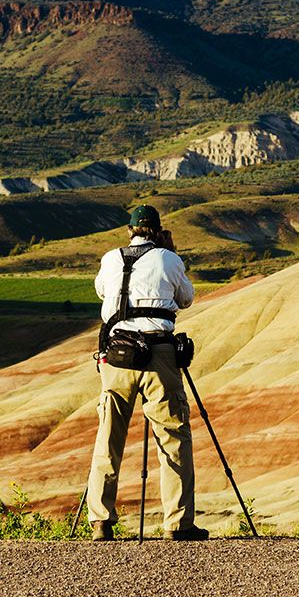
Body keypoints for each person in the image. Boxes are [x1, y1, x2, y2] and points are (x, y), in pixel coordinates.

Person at [86, 204, 209, 541]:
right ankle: (178, 524)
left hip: (117, 355)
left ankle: (100, 521)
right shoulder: (169, 258)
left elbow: (102, 292)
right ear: (157, 230)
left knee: (109, 435)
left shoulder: (111, 258)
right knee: (173, 437)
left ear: (130, 231)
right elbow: (186, 299)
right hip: (158, 354)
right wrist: (170, 254)